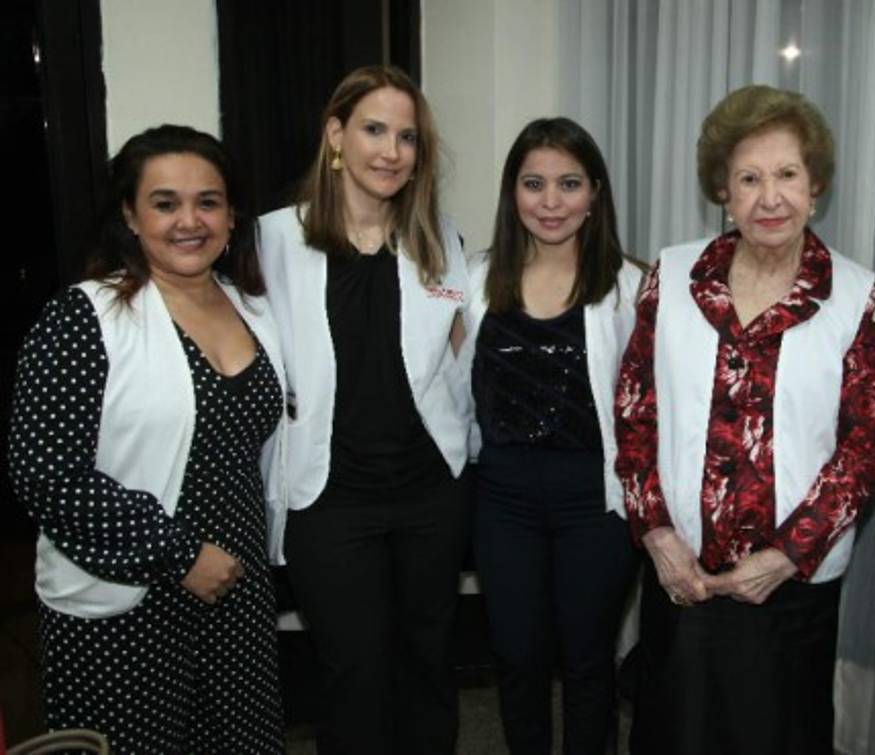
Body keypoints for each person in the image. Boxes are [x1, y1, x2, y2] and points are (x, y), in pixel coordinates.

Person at [614, 84, 875, 754]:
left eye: (787, 175)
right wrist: (656, 535)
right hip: (680, 576)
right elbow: (634, 413)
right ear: (723, 191)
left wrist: (784, 555)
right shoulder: (674, 274)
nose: (770, 197)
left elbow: (865, 445)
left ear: (815, 184)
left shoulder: (859, 295)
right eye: (749, 178)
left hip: (789, 590)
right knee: (672, 733)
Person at [8, 124, 287, 753]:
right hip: (130, 600)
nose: (189, 221)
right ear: (131, 216)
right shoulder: (84, 317)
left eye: (207, 202)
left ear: (231, 214)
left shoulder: (252, 305)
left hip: (237, 588)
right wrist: (181, 555)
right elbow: (46, 476)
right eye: (165, 203)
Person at [257, 65, 473, 753]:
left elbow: (457, 364)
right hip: (329, 499)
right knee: (353, 674)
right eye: (374, 129)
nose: (390, 151)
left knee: (430, 665)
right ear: (335, 136)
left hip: (428, 494)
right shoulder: (272, 241)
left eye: (406, 136)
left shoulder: (440, 239)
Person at [465, 117, 641, 754]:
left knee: (588, 662)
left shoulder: (632, 287)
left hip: (593, 504)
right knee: (517, 660)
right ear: (513, 192)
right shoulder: (473, 280)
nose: (550, 201)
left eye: (568, 183)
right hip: (503, 500)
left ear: (595, 192)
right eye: (533, 183)